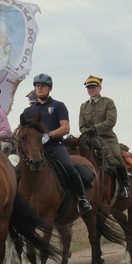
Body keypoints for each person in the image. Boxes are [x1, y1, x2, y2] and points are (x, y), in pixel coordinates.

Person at [23, 73, 92, 213]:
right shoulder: (29, 110)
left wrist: (49, 135)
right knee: (17, 170)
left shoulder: (58, 106)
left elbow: (65, 128)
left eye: (43, 86)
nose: (39, 88)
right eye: (37, 85)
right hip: (34, 149)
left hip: (54, 147)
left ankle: (82, 198)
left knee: (68, 166)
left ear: (50, 88)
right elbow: (23, 129)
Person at [78, 75, 130, 199]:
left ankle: (126, 186)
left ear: (100, 88)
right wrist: (87, 132)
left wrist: (96, 128)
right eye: (89, 87)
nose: (91, 89)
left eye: (93, 87)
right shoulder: (83, 106)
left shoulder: (108, 102)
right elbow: (81, 126)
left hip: (107, 138)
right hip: (90, 139)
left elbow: (111, 121)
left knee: (117, 157)